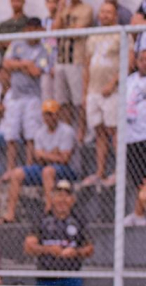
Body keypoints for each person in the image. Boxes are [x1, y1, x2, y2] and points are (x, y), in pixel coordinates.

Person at [5, 100, 77, 222]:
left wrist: (45, 155)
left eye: (51, 114)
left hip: (67, 170)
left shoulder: (67, 131)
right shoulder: (40, 133)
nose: (49, 118)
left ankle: (49, 210)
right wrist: (54, 154)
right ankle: (10, 214)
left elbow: (65, 159)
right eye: (46, 114)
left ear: (57, 115)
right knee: (17, 173)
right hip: (44, 167)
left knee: (48, 171)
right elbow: (37, 157)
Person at [0, 17, 50, 173]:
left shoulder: (44, 49)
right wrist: (26, 64)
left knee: (31, 134)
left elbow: (36, 72)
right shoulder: (17, 44)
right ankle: (10, 169)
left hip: (32, 97)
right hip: (15, 96)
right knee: (11, 135)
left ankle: (29, 168)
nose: (31, 33)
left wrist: (18, 65)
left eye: (35, 29)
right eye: (29, 29)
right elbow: (6, 64)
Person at [24, 179, 93, 286]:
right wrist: (48, 250)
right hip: (46, 277)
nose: (62, 200)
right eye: (59, 195)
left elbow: (89, 248)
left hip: (72, 277)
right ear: (52, 199)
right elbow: (29, 246)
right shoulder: (42, 219)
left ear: (73, 199)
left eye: (66, 196)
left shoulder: (79, 220)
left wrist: (76, 252)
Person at [81, 2, 120, 187]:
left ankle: (120, 169)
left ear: (115, 15)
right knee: (99, 131)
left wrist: (113, 83)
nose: (104, 15)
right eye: (102, 12)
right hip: (93, 91)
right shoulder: (93, 36)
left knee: (114, 130)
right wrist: (85, 91)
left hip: (111, 91)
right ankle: (100, 171)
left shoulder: (121, 33)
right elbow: (87, 65)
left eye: (108, 12)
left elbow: (128, 62)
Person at [53, 0, 92, 139]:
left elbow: (76, 32)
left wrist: (64, 29)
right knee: (63, 101)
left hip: (76, 60)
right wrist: (59, 10)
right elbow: (55, 30)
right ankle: (67, 131)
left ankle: (82, 130)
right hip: (61, 60)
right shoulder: (64, 9)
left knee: (79, 101)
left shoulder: (86, 9)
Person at [125, 49, 146, 193]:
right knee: (138, 183)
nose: (145, 63)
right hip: (131, 139)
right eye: (142, 60)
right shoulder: (129, 80)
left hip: (145, 136)